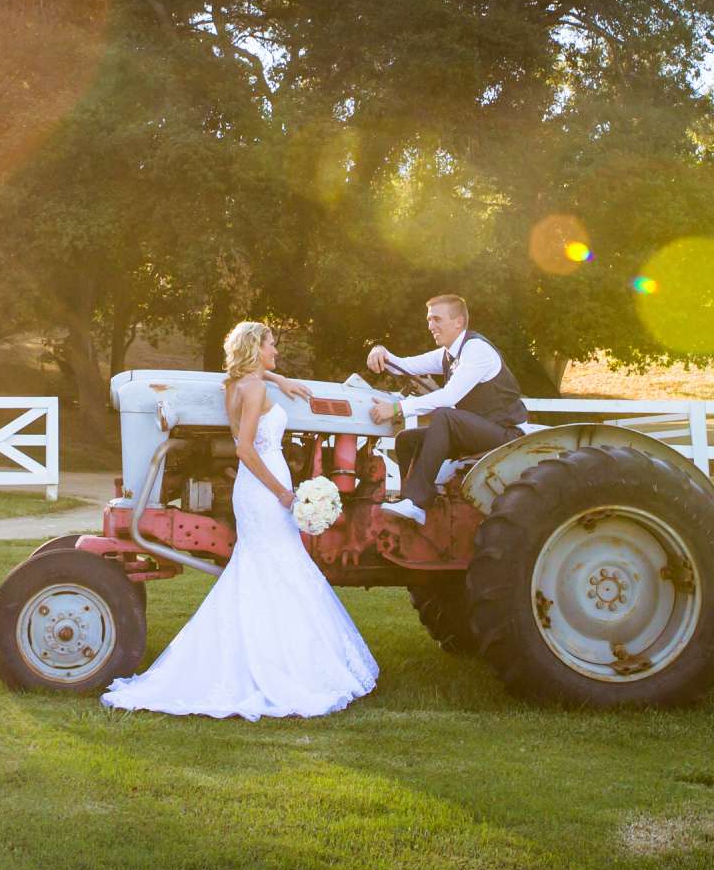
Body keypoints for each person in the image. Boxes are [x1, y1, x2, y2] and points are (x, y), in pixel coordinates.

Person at [101, 321, 377, 720]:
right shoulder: (255, 388)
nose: (276, 352)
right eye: (271, 346)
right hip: (264, 487)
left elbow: (255, 381)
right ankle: (282, 665)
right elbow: (245, 450)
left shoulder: (237, 383)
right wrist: (282, 492)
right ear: (256, 348)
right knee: (278, 569)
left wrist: (283, 379)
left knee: (267, 570)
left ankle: (269, 652)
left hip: (255, 489)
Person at [365, 293, 530, 528]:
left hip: (507, 434)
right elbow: (405, 365)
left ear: (458, 322)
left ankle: (416, 501)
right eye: (429, 320)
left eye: (436, 319)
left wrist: (396, 408)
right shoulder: (448, 354)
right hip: (479, 431)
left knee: (445, 416)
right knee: (406, 440)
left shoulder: (476, 350)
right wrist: (380, 350)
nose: (430, 326)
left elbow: (450, 396)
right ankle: (411, 504)